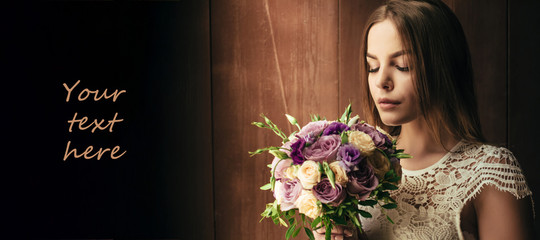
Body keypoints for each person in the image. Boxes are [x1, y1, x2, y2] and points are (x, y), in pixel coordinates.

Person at [314, 0, 534, 239]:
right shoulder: (356, 169)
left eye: (402, 66)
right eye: (373, 67)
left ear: (443, 67)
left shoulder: (489, 172)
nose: (381, 81)